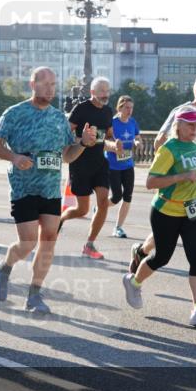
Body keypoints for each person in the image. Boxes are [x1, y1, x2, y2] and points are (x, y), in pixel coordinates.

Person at [0, 67, 94, 314]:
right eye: (44, 83)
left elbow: (67, 155)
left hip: (50, 190)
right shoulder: (15, 113)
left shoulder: (58, 119)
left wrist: (84, 144)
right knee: (27, 243)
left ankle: (34, 294)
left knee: (48, 239)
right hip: (24, 188)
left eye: (53, 84)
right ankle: (4, 266)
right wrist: (13, 157)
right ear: (32, 84)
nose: (50, 88)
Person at [130, 74, 196, 303]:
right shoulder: (182, 111)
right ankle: (142, 252)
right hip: (178, 186)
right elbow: (159, 142)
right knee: (165, 242)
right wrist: (176, 164)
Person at [122, 106, 196, 329]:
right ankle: (134, 282)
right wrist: (182, 176)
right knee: (162, 257)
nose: (195, 128)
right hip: (166, 211)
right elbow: (151, 182)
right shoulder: (168, 150)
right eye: (191, 124)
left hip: (193, 208)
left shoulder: (194, 146)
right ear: (178, 125)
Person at [58, 76, 119, 259]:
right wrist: (78, 140)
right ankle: (61, 219)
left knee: (102, 203)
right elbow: (64, 132)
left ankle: (89, 244)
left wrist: (115, 145)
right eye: (101, 91)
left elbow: (108, 136)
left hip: (99, 163)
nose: (105, 95)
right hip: (80, 163)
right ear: (92, 92)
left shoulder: (108, 112)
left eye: (107, 91)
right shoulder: (81, 109)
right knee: (82, 210)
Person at [107, 95, 142, 238]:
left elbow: (137, 136)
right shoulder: (112, 122)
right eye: (127, 107)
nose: (129, 110)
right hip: (113, 165)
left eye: (131, 108)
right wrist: (114, 146)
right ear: (119, 107)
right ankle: (102, 207)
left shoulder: (133, 122)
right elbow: (105, 140)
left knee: (127, 196)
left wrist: (138, 143)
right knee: (116, 197)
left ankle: (118, 227)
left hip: (128, 165)